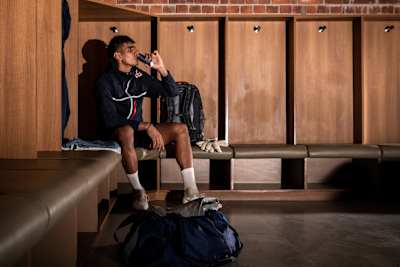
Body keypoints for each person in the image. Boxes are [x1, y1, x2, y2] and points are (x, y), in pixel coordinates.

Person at [96, 35, 202, 210]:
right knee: (126, 131)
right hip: (116, 135)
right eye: (130, 49)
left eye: (135, 48)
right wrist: (146, 126)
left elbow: (172, 92)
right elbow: (110, 120)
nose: (136, 52)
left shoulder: (138, 75)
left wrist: (162, 69)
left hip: (139, 132)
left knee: (181, 129)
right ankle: (138, 191)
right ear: (118, 56)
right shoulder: (105, 81)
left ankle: (191, 190)